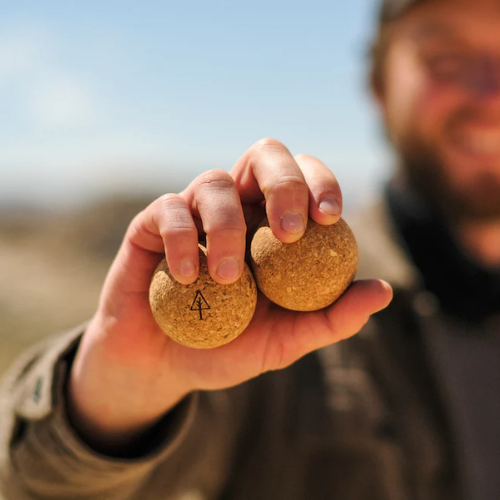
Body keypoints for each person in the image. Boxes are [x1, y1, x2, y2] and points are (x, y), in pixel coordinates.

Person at [1, 0, 500, 498]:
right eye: (447, 60)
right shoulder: (271, 327)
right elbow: (37, 486)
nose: (491, 94)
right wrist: (113, 398)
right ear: (380, 85)